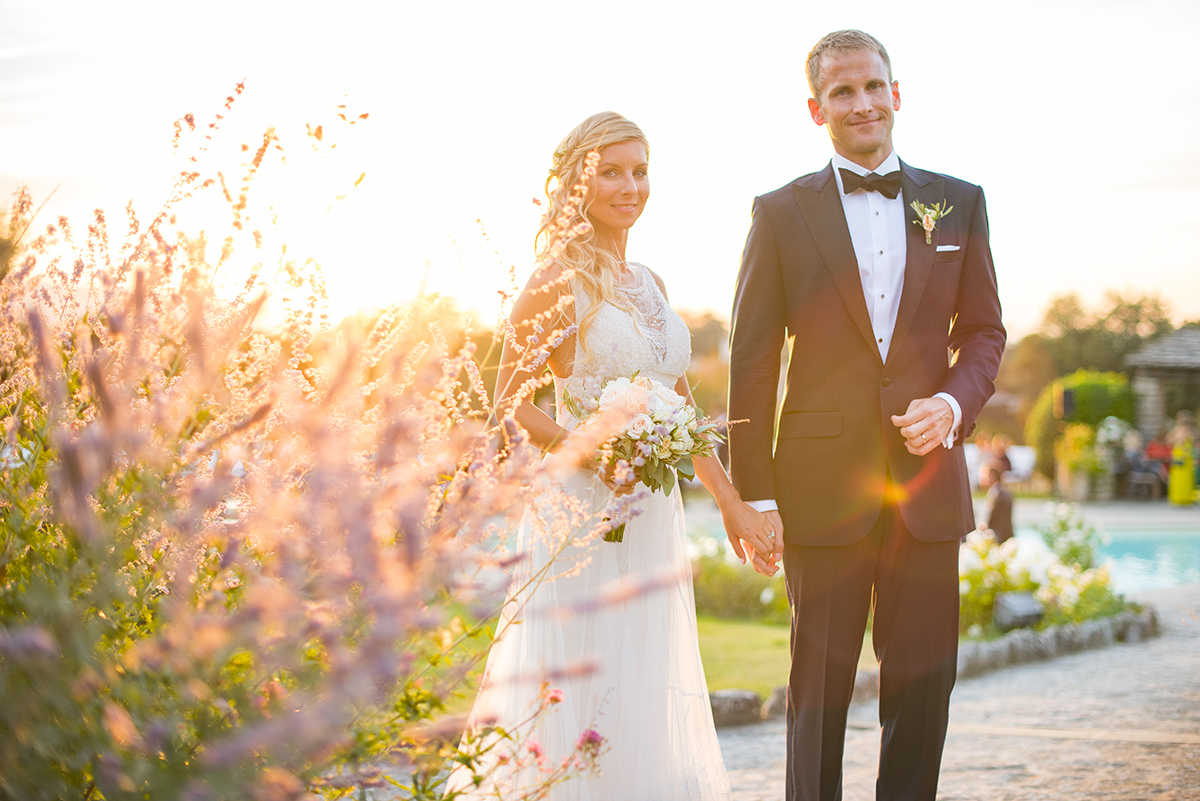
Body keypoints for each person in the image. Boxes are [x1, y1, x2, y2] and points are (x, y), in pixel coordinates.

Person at [448, 112, 775, 800]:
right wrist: (591, 449)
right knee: (585, 680)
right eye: (612, 171)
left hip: (653, 511)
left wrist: (732, 502)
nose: (631, 185)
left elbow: (681, 409)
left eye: (640, 169)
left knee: (644, 672)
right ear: (576, 184)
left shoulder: (648, 280)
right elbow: (509, 403)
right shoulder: (553, 279)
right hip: (585, 511)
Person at [726, 30, 1005, 801]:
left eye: (873, 86)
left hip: (926, 485)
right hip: (819, 489)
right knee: (816, 694)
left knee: (924, 688)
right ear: (816, 109)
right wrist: (756, 494)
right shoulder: (780, 213)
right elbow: (751, 356)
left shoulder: (961, 202)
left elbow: (983, 332)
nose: (862, 103)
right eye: (842, 92)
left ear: (896, 95)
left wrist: (952, 405)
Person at [978, 460, 1014, 544]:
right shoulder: (998, 493)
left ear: (992, 476)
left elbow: (999, 523)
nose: (982, 478)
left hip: (999, 539)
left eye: (985, 474)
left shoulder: (998, 496)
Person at [1166, 410, 1196, 506]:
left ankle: (1184, 498)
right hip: (1182, 455)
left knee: (1185, 478)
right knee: (1180, 478)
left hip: (1185, 456)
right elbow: (1172, 441)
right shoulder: (1180, 431)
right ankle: (1181, 498)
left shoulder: (1184, 430)